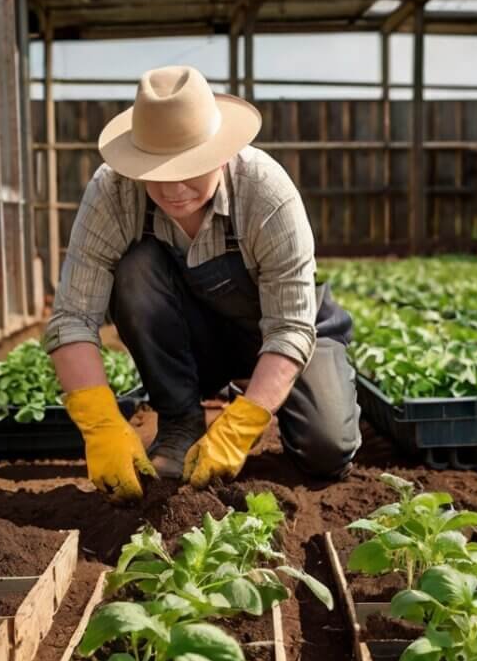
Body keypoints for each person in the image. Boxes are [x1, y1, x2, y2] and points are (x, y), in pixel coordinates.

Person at [44, 65, 361, 501]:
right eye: (155, 169)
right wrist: (100, 422)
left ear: (221, 153)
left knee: (327, 450)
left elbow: (289, 327)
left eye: (190, 168)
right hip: (196, 339)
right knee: (135, 269)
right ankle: (179, 422)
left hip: (281, 335)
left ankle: (271, 398)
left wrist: (243, 425)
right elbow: (73, 317)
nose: (173, 187)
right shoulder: (114, 193)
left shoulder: (267, 194)